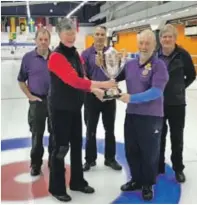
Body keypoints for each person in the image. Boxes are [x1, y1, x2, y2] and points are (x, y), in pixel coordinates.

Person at [47, 18, 117, 202]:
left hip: (75, 108)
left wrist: (94, 90)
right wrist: (102, 84)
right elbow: (74, 81)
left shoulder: (75, 54)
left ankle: (77, 181)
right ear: (60, 34)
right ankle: (57, 187)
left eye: (73, 33)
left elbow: (82, 76)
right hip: (60, 110)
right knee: (60, 148)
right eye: (67, 33)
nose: (71, 36)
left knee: (77, 146)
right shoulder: (56, 57)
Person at [102, 29, 168, 201]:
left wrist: (132, 97)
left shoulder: (159, 65)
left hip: (151, 117)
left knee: (149, 153)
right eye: (141, 43)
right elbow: (114, 77)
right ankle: (136, 180)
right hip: (132, 115)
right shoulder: (130, 64)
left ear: (154, 45)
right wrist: (106, 71)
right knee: (132, 150)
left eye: (148, 43)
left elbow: (156, 91)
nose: (144, 46)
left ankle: (147, 184)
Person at [157, 24, 196, 182]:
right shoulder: (155, 55)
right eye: (164, 36)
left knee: (177, 137)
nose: (167, 39)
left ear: (175, 38)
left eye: (169, 36)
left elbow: (191, 75)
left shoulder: (183, 55)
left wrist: (180, 88)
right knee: (159, 136)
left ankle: (178, 168)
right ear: (160, 39)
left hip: (177, 104)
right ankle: (158, 165)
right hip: (158, 103)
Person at [81, 26, 122, 172]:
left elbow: (116, 74)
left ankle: (110, 159)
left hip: (109, 96)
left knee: (109, 129)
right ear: (93, 36)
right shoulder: (85, 54)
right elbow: (83, 76)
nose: (99, 37)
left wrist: (118, 62)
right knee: (90, 129)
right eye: (97, 34)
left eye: (102, 34)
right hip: (91, 96)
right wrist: (94, 88)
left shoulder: (112, 53)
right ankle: (89, 160)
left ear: (106, 36)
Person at [17, 28, 53, 176]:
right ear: (36, 40)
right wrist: (29, 96)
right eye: (40, 39)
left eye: (46, 39)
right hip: (37, 101)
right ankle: (36, 164)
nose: (43, 42)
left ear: (49, 41)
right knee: (37, 135)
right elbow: (21, 80)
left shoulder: (56, 57)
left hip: (54, 102)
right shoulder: (28, 58)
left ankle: (54, 161)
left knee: (55, 133)